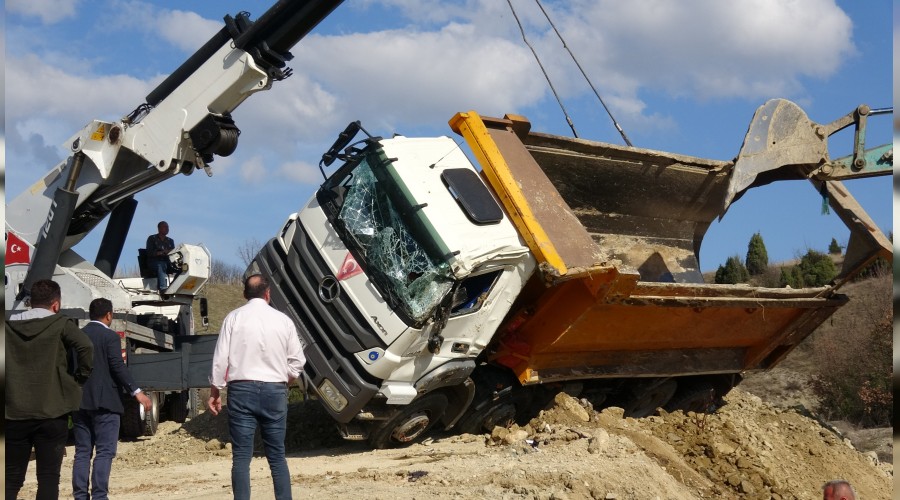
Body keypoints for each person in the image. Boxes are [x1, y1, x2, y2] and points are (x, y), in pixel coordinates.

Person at [208, 274, 305, 500]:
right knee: (277, 456)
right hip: (274, 391)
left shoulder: (233, 318)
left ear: (244, 294)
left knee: (241, 456)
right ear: (268, 294)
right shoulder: (284, 321)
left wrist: (215, 390)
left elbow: (220, 358)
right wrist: (285, 380)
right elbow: (298, 361)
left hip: (241, 391)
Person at [6, 279, 94, 500]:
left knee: (10, 478)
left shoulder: (8, 327)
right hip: (53, 412)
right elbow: (86, 346)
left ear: (30, 303)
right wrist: (78, 380)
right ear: (56, 304)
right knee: (48, 476)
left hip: (13, 413)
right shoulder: (61, 324)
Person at [72, 298, 153, 500]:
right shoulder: (109, 337)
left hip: (79, 401)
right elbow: (117, 367)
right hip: (106, 403)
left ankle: (80, 496)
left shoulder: (75, 337)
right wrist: (137, 392)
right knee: (104, 452)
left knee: (82, 452)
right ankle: (100, 496)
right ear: (109, 315)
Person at [146, 220, 175, 292]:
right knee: (160, 265)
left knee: (182, 268)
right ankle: (163, 288)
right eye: (165, 227)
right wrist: (161, 252)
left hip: (167, 262)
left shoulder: (170, 240)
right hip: (154, 262)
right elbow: (149, 252)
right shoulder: (152, 238)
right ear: (159, 228)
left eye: (168, 227)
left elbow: (173, 252)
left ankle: (174, 287)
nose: (167, 229)